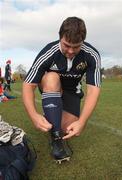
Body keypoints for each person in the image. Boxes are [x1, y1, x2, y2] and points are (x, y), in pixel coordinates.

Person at [23, 16, 101, 163]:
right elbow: (28, 85)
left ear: (83, 41)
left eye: (76, 46)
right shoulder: (48, 52)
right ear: (60, 38)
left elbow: (93, 90)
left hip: (72, 92)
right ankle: (56, 139)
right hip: (51, 85)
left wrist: (82, 121)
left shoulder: (92, 55)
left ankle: (53, 115)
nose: (71, 51)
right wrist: (33, 115)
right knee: (52, 77)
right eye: (66, 45)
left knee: (68, 128)